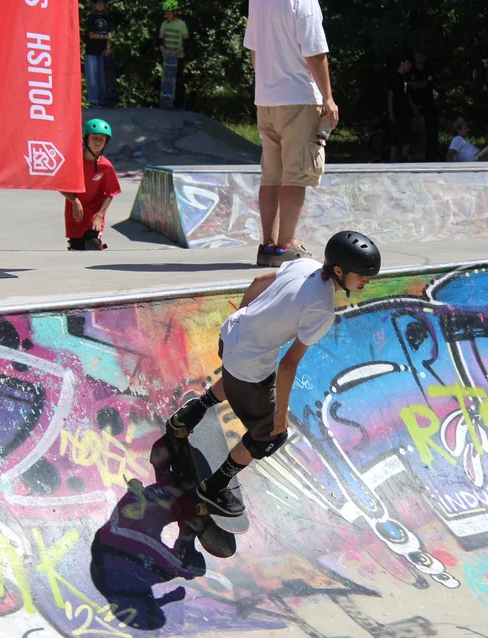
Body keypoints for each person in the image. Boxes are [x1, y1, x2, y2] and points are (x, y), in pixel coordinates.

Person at [165, 231, 381, 517]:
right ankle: (214, 487)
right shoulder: (322, 309)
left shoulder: (306, 265)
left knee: (241, 377)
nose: (366, 282)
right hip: (249, 365)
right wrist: (280, 415)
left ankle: (188, 416)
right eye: (362, 276)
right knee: (270, 435)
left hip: (231, 333)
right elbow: (289, 364)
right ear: (339, 271)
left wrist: (240, 323)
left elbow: (257, 283)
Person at [244, 0, 337, 268]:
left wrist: (268, 84)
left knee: (271, 174)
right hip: (298, 97)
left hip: (266, 99)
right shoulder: (302, 1)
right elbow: (315, 53)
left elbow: (254, 51)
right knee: (295, 175)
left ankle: (268, 245)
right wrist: (328, 98)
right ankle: (285, 246)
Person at [61, 118, 121, 251]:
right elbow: (61, 185)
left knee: (92, 243)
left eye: (102, 139)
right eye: (94, 138)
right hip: (75, 214)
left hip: (95, 215)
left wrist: (100, 215)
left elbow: (110, 193)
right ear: (86, 139)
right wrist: (74, 200)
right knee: (77, 249)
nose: (98, 142)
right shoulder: (74, 162)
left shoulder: (106, 166)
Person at [158, 0, 190, 109]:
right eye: (165, 13)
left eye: (169, 13)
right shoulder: (164, 24)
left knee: (178, 81)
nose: (166, 15)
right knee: (166, 80)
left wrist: (177, 52)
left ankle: (178, 106)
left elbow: (186, 41)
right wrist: (163, 50)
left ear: (175, 12)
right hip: (167, 56)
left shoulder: (181, 24)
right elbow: (160, 40)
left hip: (178, 56)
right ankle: (165, 104)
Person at [408, 48, 439, 161]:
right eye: (417, 56)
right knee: (413, 133)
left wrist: (411, 83)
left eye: (421, 56)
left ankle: (432, 158)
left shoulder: (429, 70)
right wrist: (414, 108)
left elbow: (425, 83)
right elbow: (406, 90)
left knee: (431, 131)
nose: (419, 58)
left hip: (428, 105)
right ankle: (411, 158)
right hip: (413, 105)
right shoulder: (410, 70)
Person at [84, 0, 114, 108]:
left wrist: (108, 48)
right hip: (91, 50)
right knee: (92, 76)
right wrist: (104, 37)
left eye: (102, 4)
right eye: (98, 4)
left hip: (103, 51)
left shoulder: (107, 18)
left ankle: (103, 99)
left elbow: (110, 35)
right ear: (94, 5)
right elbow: (91, 35)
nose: (100, 6)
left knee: (103, 76)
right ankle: (93, 100)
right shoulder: (91, 18)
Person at [387, 54, 415, 162]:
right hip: (398, 113)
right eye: (408, 63)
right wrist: (391, 113)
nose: (409, 66)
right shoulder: (395, 78)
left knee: (401, 140)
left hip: (405, 113)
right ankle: (398, 161)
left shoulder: (405, 78)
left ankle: (401, 160)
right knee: (401, 140)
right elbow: (390, 95)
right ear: (402, 63)